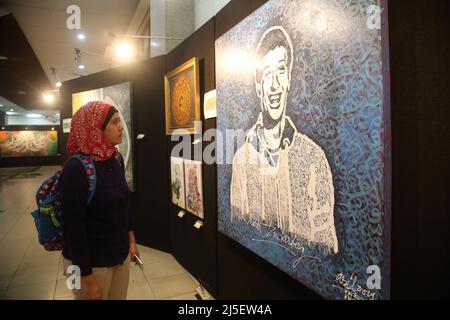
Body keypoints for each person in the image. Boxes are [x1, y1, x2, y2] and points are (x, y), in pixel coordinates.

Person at [230, 26, 339, 255]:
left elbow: (326, 248)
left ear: (289, 79)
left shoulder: (313, 159)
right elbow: (237, 228)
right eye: (267, 73)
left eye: (281, 70)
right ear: (259, 86)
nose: (275, 85)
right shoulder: (242, 160)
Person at [60, 101, 140, 300]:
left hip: (119, 256)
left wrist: (131, 240)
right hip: (91, 265)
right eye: (114, 122)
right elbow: (73, 229)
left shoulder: (115, 158)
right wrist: (87, 279)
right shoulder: (75, 169)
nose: (121, 127)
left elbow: (124, 203)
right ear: (95, 128)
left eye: (119, 121)